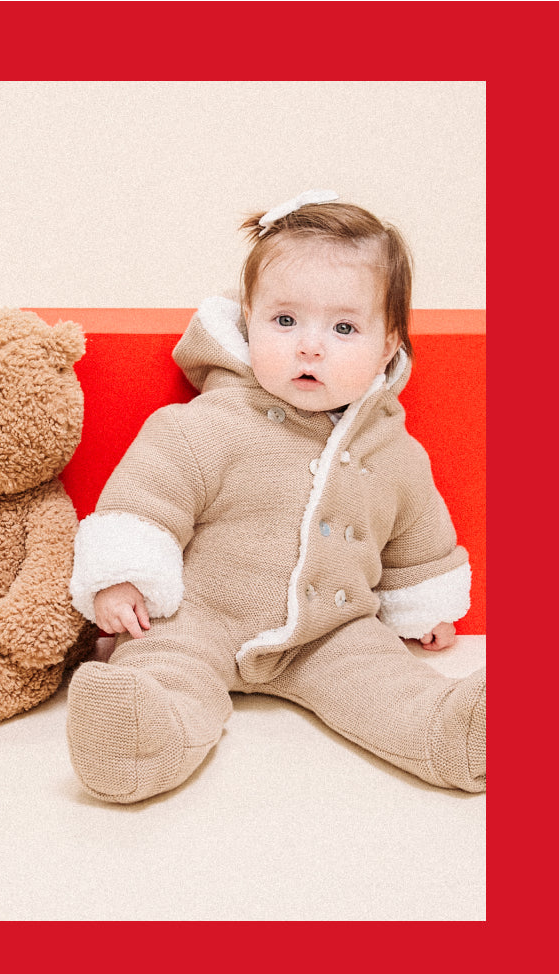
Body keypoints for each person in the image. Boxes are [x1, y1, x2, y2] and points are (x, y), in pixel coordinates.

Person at [67, 189, 485, 803]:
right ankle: (141, 738)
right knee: (159, 666)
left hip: (330, 630)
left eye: (344, 328)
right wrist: (122, 576)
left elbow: (419, 539)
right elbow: (147, 497)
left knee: (388, 685)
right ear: (249, 321)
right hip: (197, 617)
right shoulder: (207, 424)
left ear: (388, 344)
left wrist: (425, 609)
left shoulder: (394, 454)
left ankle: (455, 731)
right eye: (285, 321)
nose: (310, 346)